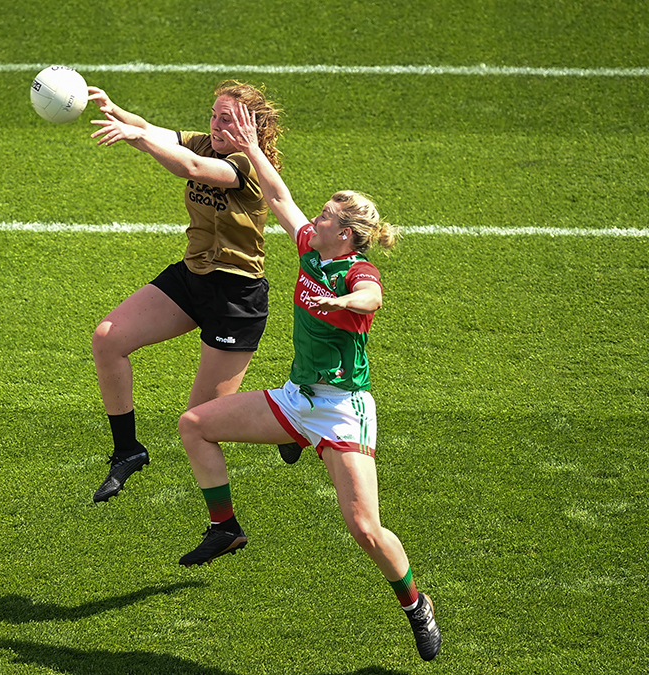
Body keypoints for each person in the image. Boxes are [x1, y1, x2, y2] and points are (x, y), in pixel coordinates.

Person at [173, 103, 442, 661]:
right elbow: (277, 195)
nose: (311, 220)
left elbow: (373, 297)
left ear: (344, 233)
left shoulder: (354, 271)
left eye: (323, 217)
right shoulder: (310, 250)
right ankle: (225, 527)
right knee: (194, 424)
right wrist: (249, 146)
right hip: (297, 398)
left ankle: (415, 603)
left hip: (343, 409)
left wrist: (342, 300)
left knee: (365, 528)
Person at [86, 80, 287, 503]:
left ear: (251, 126)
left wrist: (138, 136)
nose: (214, 124)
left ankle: (291, 427)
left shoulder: (250, 164)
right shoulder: (205, 143)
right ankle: (128, 451)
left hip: (236, 297)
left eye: (226, 118)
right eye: (213, 114)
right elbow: (152, 131)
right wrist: (116, 110)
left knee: (203, 420)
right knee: (108, 338)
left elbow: (192, 169)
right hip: (191, 278)